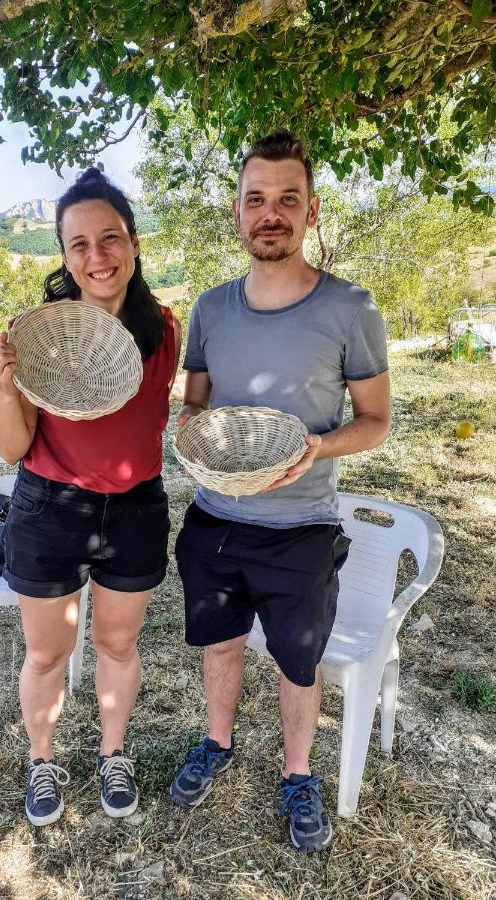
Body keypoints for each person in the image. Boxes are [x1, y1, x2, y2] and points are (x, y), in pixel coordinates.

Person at [170, 130, 390, 852]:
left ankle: (297, 775)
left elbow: (376, 422)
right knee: (220, 646)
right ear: (235, 212)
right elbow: (195, 405)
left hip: (301, 526)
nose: (270, 213)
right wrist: (190, 429)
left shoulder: (349, 308)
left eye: (285, 200)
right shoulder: (209, 308)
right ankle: (216, 741)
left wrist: (319, 447)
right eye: (255, 200)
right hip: (213, 519)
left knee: (297, 663)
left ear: (311, 211)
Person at [0, 168, 181, 827]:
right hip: (49, 509)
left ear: (132, 243)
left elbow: (155, 417)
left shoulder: (165, 332)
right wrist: (9, 389)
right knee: (47, 653)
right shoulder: (31, 335)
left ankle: (112, 752)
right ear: (64, 257)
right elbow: (12, 450)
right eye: (78, 244)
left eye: (110, 238)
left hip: (135, 509)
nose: (96, 256)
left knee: (118, 646)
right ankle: (42, 762)